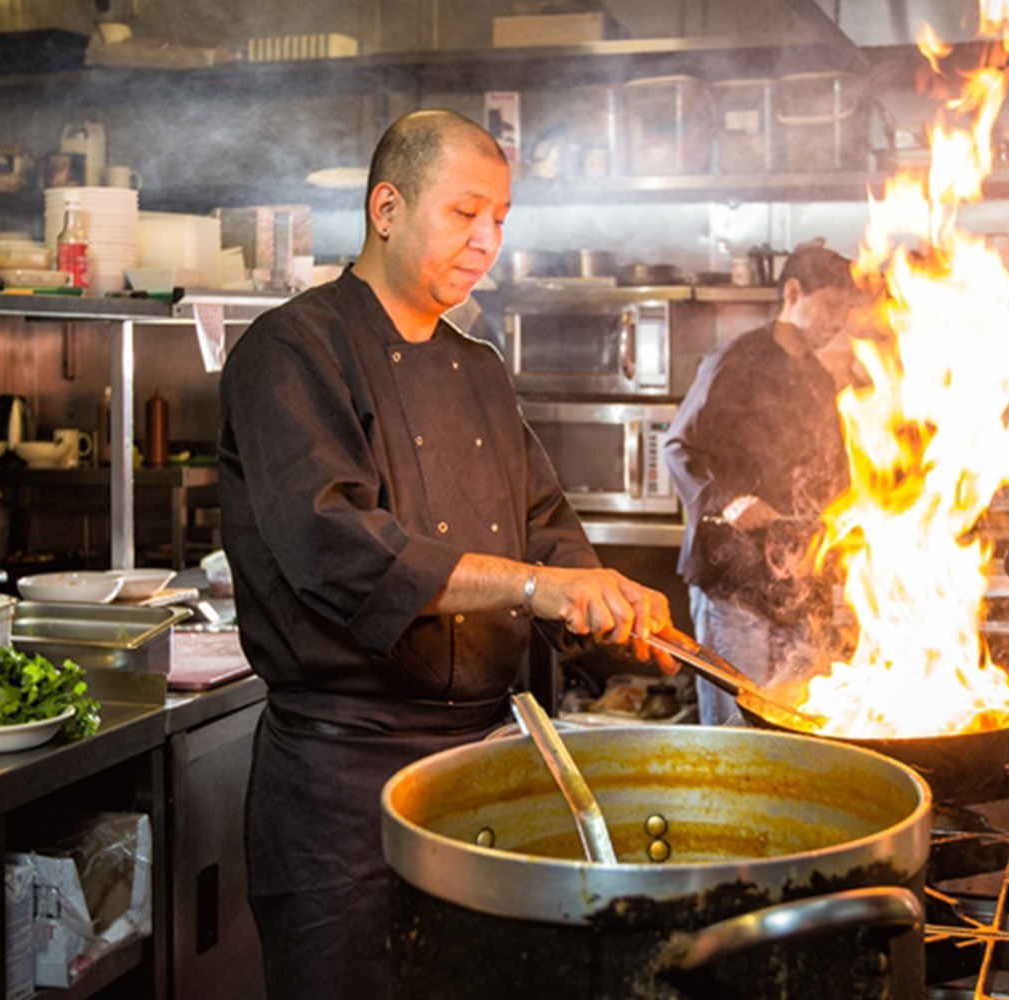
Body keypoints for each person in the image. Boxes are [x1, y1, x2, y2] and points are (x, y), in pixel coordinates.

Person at [217, 110, 673, 1000]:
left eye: (500, 218)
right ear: (386, 207)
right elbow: (338, 551)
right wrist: (542, 587)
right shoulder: (291, 350)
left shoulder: (479, 368)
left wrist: (611, 617)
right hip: (346, 788)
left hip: (490, 770)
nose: (488, 242)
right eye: (465, 213)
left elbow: (544, 530)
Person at [662, 241, 882, 725]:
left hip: (797, 585)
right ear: (793, 291)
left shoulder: (819, 381)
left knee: (797, 725)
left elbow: (832, 479)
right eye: (832, 306)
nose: (838, 321)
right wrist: (729, 499)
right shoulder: (735, 361)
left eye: (847, 310)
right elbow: (679, 448)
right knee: (737, 733)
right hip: (733, 582)